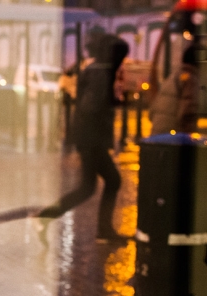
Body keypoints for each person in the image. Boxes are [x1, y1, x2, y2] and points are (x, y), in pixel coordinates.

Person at [61, 34, 131, 243]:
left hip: (89, 138)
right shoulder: (101, 73)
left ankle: (104, 230)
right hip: (92, 139)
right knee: (106, 182)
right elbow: (90, 106)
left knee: (91, 186)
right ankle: (104, 230)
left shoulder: (96, 70)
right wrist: (106, 107)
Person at [149, 45, 206, 136]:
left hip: (157, 135)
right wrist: (189, 138)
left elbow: (152, 112)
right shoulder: (190, 79)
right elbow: (187, 112)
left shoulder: (173, 77)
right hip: (172, 138)